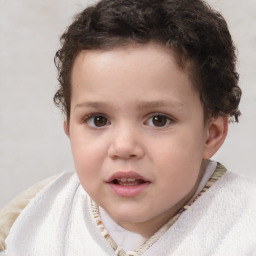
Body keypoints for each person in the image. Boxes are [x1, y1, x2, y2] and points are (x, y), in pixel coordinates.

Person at [0, 0, 255, 255]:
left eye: (158, 120)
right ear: (69, 130)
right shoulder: (29, 219)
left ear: (211, 134)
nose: (123, 147)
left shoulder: (245, 228)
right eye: (98, 120)